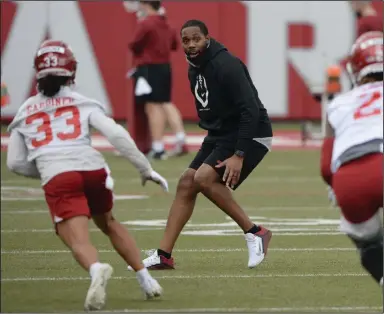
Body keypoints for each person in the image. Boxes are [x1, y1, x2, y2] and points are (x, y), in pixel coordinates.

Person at [6, 40, 168, 310]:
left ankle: (96, 269)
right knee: (109, 223)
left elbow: (15, 163)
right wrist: (145, 168)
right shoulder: (83, 102)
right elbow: (116, 134)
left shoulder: (25, 111)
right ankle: (146, 279)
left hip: (59, 176)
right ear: (71, 71)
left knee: (72, 235)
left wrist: (48, 167)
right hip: (93, 169)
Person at [128, 20, 274, 271]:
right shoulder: (194, 67)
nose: (192, 44)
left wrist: (239, 154)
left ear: (207, 37)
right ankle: (163, 255)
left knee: (204, 178)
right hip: (221, 132)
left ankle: (255, 232)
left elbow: (250, 109)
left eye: (197, 38)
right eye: (186, 40)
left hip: (250, 132)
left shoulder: (226, 64)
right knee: (187, 182)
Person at [321, 31, 383, 286]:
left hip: (351, 181)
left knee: (367, 240)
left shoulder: (340, 103)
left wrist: (337, 186)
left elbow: (326, 167)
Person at [129, 0, 188, 159]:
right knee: (166, 102)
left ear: (146, 5)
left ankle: (158, 146)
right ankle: (180, 137)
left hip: (149, 68)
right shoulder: (167, 23)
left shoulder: (146, 23)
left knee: (152, 106)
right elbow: (175, 45)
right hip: (165, 67)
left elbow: (134, 45)